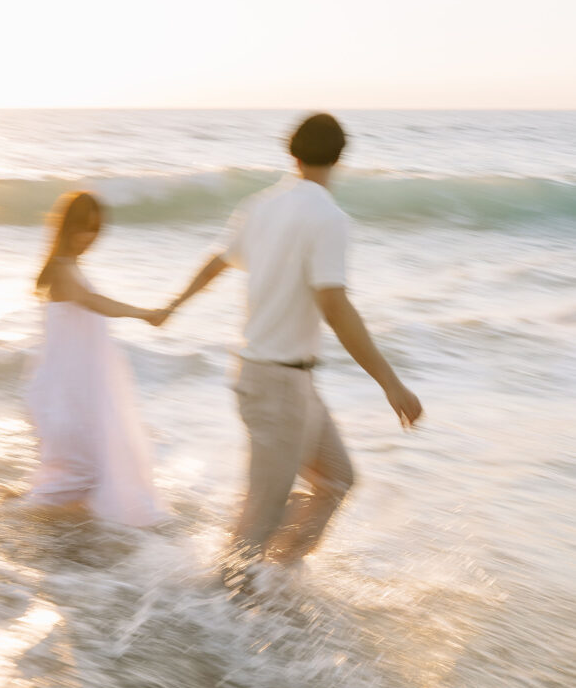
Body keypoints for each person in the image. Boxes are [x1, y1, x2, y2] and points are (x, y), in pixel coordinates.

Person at [160, 113, 422, 574]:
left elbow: (216, 262)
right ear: (340, 158)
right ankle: (223, 606)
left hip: (282, 380)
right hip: (277, 382)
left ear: (292, 152)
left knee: (337, 480)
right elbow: (335, 307)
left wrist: (172, 306)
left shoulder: (260, 205)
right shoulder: (327, 216)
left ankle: (274, 580)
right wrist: (390, 384)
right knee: (258, 521)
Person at [25, 191, 165, 526]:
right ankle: (17, 517)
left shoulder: (68, 266)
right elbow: (93, 301)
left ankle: (45, 522)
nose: (89, 237)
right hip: (66, 392)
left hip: (77, 388)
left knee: (87, 468)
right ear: (67, 227)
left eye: (95, 230)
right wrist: (144, 313)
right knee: (82, 470)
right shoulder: (61, 270)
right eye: (83, 228)